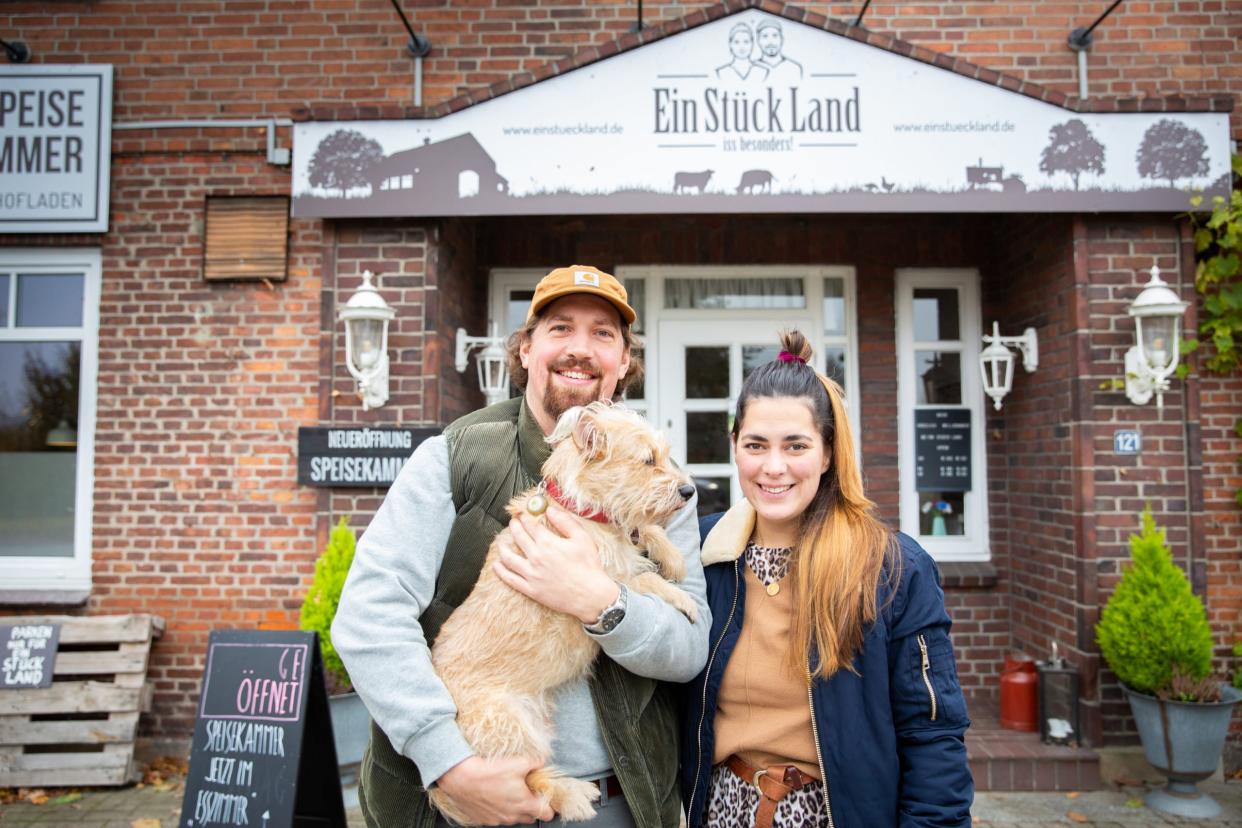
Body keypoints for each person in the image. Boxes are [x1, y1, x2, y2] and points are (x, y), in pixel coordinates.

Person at [334, 264, 711, 828]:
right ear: (527, 349)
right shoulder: (452, 458)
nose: (580, 348)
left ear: (624, 362)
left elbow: (689, 648)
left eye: (603, 334)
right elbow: (368, 617)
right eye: (560, 328)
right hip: (466, 801)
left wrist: (601, 602)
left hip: (618, 802)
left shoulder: (658, 482)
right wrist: (448, 762)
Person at [680, 330, 973, 828]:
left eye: (796, 445)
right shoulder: (702, 555)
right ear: (735, 447)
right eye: (756, 444)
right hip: (719, 813)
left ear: (828, 453)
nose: (774, 467)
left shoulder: (890, 567)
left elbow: (933, 734)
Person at [754, 19, 803, 86]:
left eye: (775, 36)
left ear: (782, 39)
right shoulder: (753, 67)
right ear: (758, 40)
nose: (770, 42)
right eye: (765, 36)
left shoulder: (794, 68)